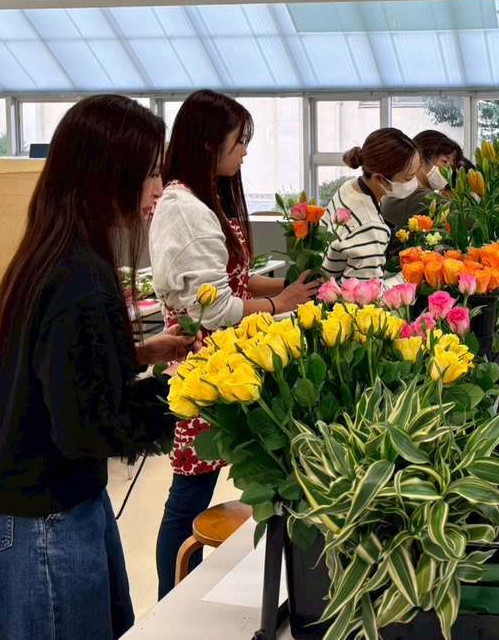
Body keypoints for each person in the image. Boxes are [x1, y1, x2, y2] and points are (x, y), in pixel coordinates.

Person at [0, 95, 194, 640]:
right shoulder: (79, 275)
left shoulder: (59, 250)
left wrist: (138, 354)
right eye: (150, 172)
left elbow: (59, 369)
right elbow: (89, 425)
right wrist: (192, 392)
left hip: (43, 497)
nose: (159, 188)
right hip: (38, 514)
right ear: (108, 174)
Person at [149, 89, 317, 598]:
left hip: (230, 365)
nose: (245, 151)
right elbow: (214, 308)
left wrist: (292, 287)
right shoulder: (182, 208)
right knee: (189, 495)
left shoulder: (205, 198)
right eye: (239, 141)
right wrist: (280, 304)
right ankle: (173, 599)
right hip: (205, 372)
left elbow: (233, 281)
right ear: (208, 142)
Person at [322, 127, 419, 283]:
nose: (415, 182)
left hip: (324, 280)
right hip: (339, 296)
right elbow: (365, 293)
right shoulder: (370, 227)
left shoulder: (349, 187)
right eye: (409, 178)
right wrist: (409, 275)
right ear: (379, 178)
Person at [382, 129, 462, 243]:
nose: (449, 171)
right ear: (421, 159)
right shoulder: (410, 194)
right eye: (445, 161)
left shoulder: (401, 188)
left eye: (451, 166)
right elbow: (464, 216)